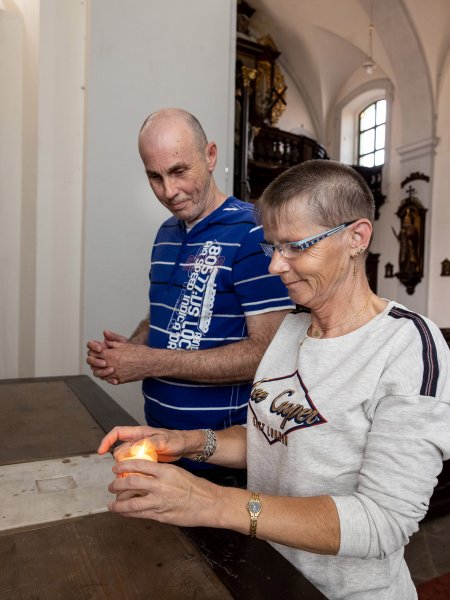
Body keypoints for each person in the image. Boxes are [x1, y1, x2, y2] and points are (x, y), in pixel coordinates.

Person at [97, 160, 450, 600]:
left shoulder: (407, 345)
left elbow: (382, 522)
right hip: (270, 573)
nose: (277, 266)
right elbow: (274, 439)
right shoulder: (291, 329)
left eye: (295, 246)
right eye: (272, 248)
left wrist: (212, 503)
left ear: (356, 237)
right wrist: (186, 441)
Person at [86, 108, 293, 482]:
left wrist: (147, 361)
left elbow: (268, 355)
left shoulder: (254, 230)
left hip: (222, 459)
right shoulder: (166, 232)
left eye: (179, 171)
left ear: (210, 155)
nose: (169, 191)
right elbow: (166, 315)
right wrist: (130, 349)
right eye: (155, 176)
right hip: (160, 444)